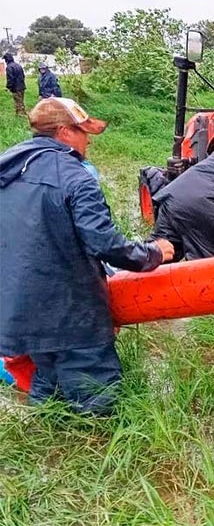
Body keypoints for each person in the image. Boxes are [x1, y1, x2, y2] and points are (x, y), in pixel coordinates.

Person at [0, 97, 175, 416]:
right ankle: (100, 455)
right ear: (65, 133)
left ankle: (51, 452)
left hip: (20, 309)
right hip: (71, 314)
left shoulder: (8, 169)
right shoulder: (75, 176)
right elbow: (104, 244)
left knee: (48, 388)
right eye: (83, 132)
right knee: (96, 398)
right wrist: (153, 252)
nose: (89, 140)